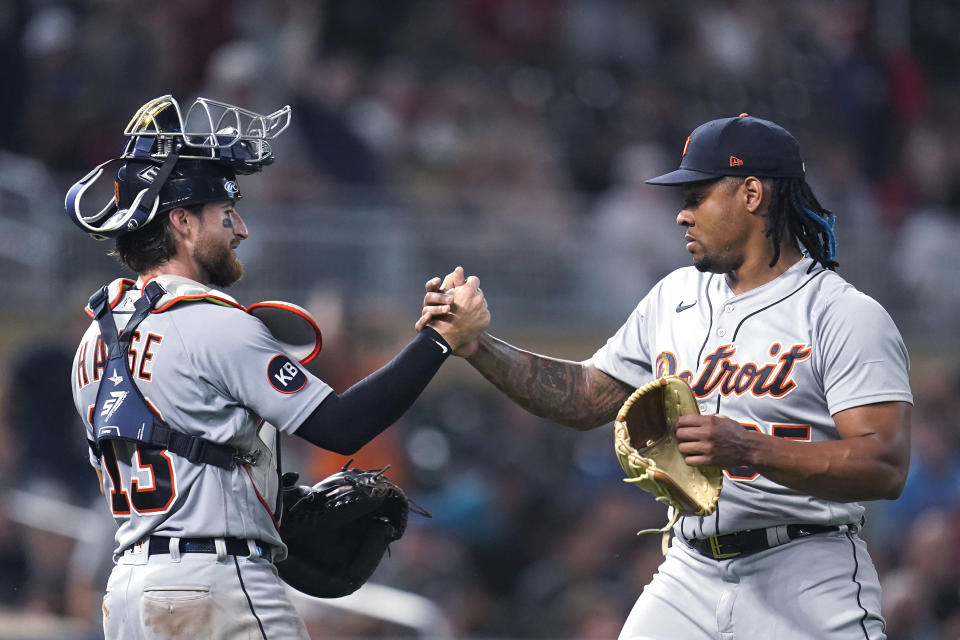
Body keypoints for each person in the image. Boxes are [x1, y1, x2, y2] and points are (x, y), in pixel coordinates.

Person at [420, 114, 913, 639]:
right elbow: (586, 397)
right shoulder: (672, 296)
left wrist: (749, 449)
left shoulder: (842, 314)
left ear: (751, 194)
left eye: (697, 196)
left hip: (807, 570)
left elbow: (884, 466)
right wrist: (477, 347)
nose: (681, 215)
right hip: (690, 569)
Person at [66, 95, 489, 640]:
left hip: (128, 591)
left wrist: (267, 499)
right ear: (183, 223)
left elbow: (180, 448)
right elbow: (340, 426)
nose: (240, 229)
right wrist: (440, 339)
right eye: (227, 213)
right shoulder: (209, 321)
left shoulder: (94, 340)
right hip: (216, 585)